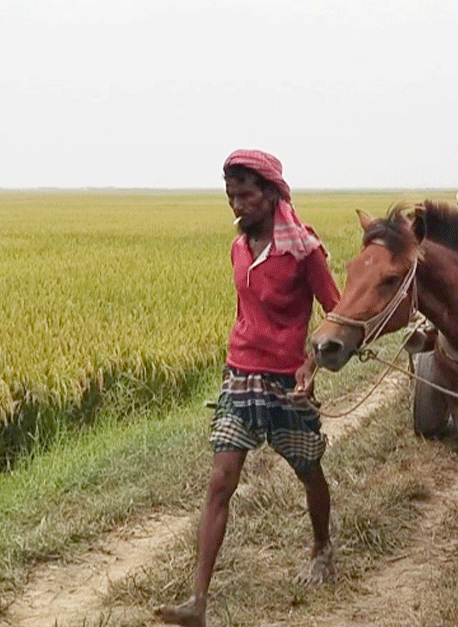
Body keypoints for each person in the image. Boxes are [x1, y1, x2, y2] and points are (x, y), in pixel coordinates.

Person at [156, 149, 340, 627]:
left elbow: (336, 316)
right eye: (230, 196)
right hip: (240, 375)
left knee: (309, 471)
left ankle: (322, 549)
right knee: (221, 482)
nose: (237, 206)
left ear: (272, 193)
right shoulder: (238, 248)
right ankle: (197, 601)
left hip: (285, 384)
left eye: (246, 196)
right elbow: (245, 310)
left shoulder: (304, 250)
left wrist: (309, 364)